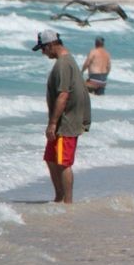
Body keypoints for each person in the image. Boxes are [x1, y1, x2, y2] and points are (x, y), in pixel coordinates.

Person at [33, 30, 91, 204]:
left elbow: (63, 95)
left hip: (66, 121)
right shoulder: (64, 62)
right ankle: (59, 197)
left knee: (63, 162)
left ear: (51, 45)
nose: (43, 53)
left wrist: (52, 123)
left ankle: (68, 203)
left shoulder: (63, 64)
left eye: (43, 49)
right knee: (51, 159)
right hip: (62, 121)